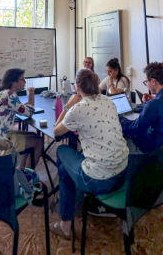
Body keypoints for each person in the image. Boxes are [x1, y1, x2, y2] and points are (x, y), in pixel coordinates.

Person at [49, 69, 129, 239]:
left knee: (62, 150)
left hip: (99, 180)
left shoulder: (78, 109)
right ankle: (76, 207)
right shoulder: (108, 101)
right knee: (65, 171)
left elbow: (56, 131)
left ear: (77, 87)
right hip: (124, 173)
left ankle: (66, 223)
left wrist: (68, 105)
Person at [120, 62, 163, 154]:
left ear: (153, 81)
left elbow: (134, 128)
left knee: (131, 134)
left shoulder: (154, 104)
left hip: (159, 153)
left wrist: (118, 117)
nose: (147, 85)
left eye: (146, 82)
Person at [0, 68, 43, 169]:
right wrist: (32, 92)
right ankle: (28, 178)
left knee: (33, 135)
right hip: (0, 140)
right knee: (38, 141)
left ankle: (22, 172)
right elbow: (30, 112)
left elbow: (15, 108)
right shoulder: (10, 95)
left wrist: (22, 107)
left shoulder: (3, 93)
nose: (25, 82)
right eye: (22, 79)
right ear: (14, 83)